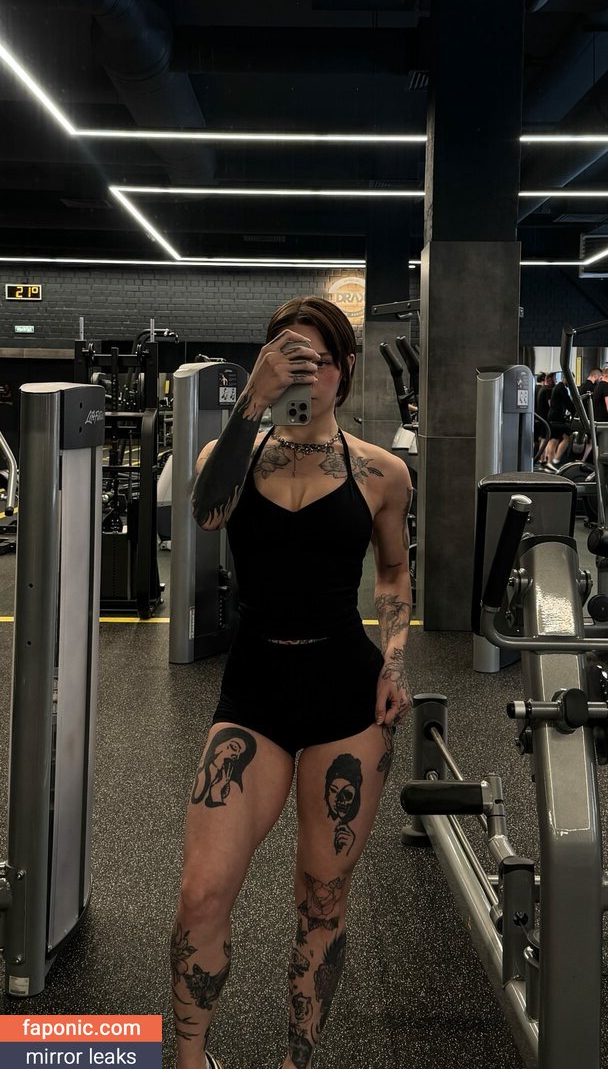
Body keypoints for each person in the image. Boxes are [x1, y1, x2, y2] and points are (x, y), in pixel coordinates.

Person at [171, 296, 413, 1069]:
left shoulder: (382, 471)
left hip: (347, 695)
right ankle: (189, 1058)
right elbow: (206, 518)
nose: (303, 375)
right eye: (287, 359)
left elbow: (394, 570)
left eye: (317, 361)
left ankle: (296, 1062)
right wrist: (253, 397)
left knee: (322, 901)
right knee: (202, 893)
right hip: (255, 692)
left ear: (345, 370)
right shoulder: (231, 457)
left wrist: (395, 659)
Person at [546, 374, 575, 467]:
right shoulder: (562, 388)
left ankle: (550, 462)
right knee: (565, 438)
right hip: (556, 418)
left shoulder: (558, 387)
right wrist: (575, 412)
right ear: (565, 378)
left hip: (554, 417)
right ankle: (554, 460)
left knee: (554, 439)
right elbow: (568, 403)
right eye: (571, 380)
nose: (571, 383)